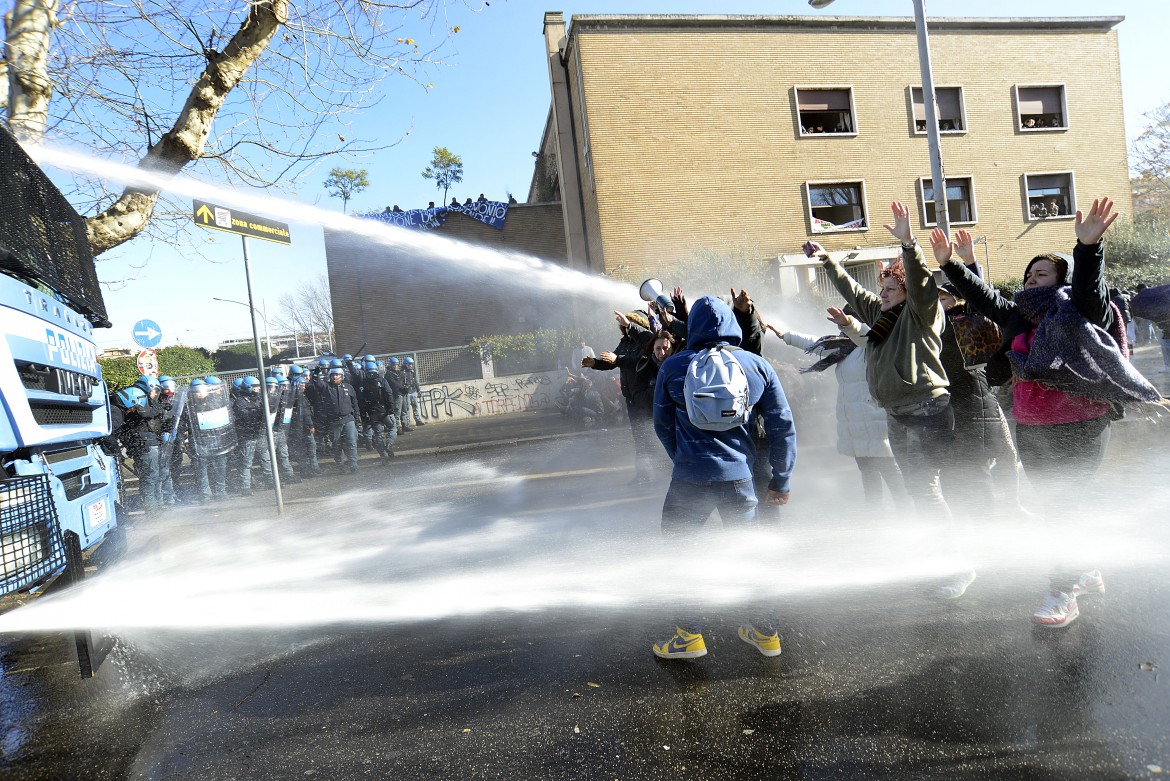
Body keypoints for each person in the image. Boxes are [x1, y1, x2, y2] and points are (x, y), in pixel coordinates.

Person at [932, 197, 1164, 627]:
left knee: (1065, 505)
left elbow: (1090, 286)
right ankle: (1086, 565)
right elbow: (983, 299)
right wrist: (952, 265)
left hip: (1082, 423)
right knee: (1053, 505)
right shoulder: (1020, 318)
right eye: (1029, 274)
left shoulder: (1079, 309)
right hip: (1031, 425)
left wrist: (1088, 247)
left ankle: (1062, 590)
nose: (1032, 278)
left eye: (1042, 273)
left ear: (1061, 280)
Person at [650, 296, 797, 660]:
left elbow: (662, 425)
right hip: (740, 480)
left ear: (693, 327)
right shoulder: (756, 365)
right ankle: (765, 633)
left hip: (689, 478)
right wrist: (781, 478)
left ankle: (689, 637)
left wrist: (682, 459)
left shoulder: (673, 367)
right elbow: (782, 426)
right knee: (748, 552)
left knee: (680, 553)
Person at [768, 308, 908, 510]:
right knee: (870, 479)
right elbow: (815, 344)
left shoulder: (874, 343)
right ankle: (878, 524)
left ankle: (911, 520)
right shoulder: (845, 346)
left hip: (877, 424)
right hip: (857, 427)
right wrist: (786, 336)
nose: (840, 326)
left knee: (893, 476)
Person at [584, 310, 655, 480]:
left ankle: (662, 474)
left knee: (652, 438)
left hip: (645, 398)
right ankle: (643, 476)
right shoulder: (625, 342)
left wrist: (618, 359)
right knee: (640, 439)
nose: (624, 328)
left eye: (628, 324)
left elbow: (638, 361)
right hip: (631, 400)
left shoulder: (647, 341)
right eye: (623, 325)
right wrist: (595, 363)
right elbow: (613, 361)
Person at [177, 377, 237, 503]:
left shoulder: (215, 403)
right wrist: (181, 439)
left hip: (217, 441)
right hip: (199, 443)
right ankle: (205, 495)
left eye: (202, 390)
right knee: (201, 470)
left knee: (220, 467)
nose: (200, 393)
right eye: (197, 391)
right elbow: (182, 424)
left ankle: (220, 491)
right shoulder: (189, 407)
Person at [317, 364, 363, 474]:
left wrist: (356, 417)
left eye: (337, 375)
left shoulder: (349, 387)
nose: (334, 377)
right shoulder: (327, 387)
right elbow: (316, 382)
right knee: (336, 443)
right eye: (332, 375)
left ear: (341, 376)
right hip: (334, 421)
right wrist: (316, 373)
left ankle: (353, 464)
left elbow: (354, 403)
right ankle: (340, 464)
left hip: (348, 419)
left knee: (352, 441)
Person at [357, 361, 398, 464]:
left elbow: (361, 402)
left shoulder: (362, 385)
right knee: (393, 427)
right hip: (384, 411)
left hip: (372, 414)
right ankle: (389, 444)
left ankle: (384, 457)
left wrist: (364, 416)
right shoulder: (382, 381)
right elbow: (389, 394)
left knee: (378, 435)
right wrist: (390, 408)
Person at [286, 365, 322, 477]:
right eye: (301, 384)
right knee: (309, 447)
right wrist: (311, 425)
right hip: (300, 427)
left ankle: (307, 468)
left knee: (306, 448)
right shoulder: (297, 396)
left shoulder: (296, 394)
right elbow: (305, 413)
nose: (303, 386)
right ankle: (310, 469)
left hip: (298, 427)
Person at [402, 356, 426, 426]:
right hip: (407, 392)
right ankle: (407, 423)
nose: (411, 366)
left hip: (413, 391)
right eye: (410, 364)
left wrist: (418, 390)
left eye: (412, 364)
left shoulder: (412, 372)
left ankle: (418, 420)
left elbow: (415, 381)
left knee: (415, 407)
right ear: (406, 364)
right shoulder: (402, 372)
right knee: (407, 409)